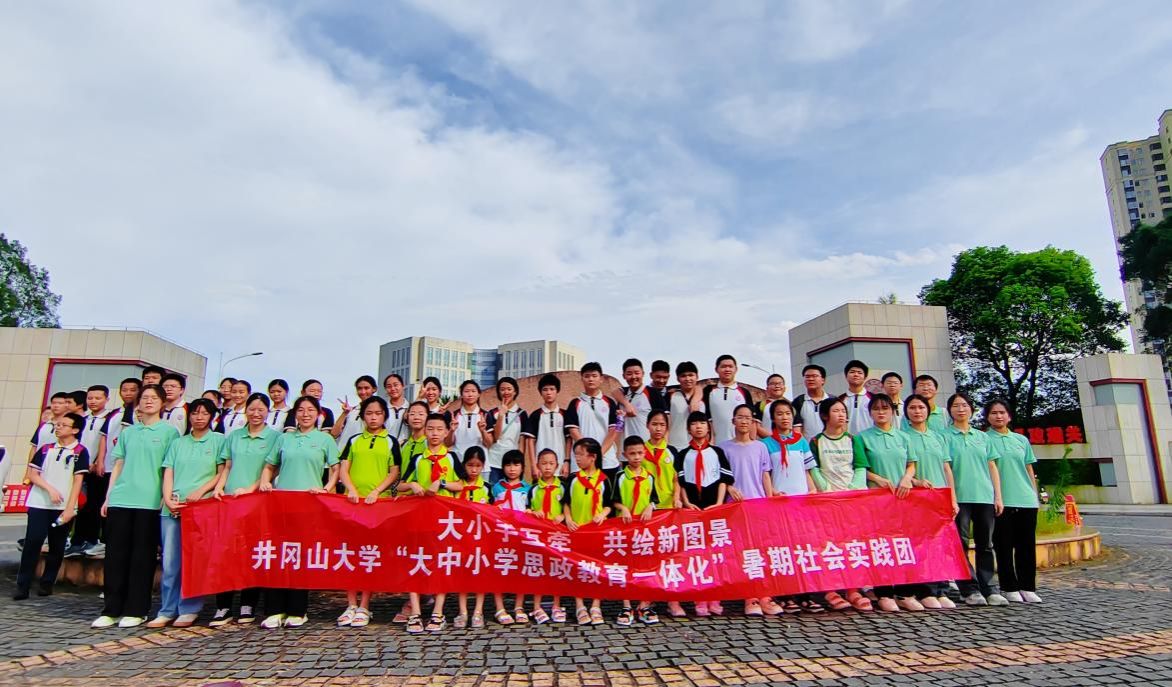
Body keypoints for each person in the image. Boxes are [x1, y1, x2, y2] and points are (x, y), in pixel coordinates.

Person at [92, 384, 180, 628]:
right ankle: (111, 609)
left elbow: (169, 469)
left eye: (154, 398)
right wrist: (109, 496)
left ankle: (137, 609)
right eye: (144, 398)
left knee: (142, 557)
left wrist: (164, 496)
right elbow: (118, 465)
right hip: (121, 498)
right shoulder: (129, 432)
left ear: (162, 403)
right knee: (115, 556)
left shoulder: (170, 433)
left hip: (149, 502)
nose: (148, 401)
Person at [257, 395, 340, 629]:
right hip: (281, 504)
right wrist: (265, 481)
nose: (305, 414)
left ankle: (297, 610)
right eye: (301, 410)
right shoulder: (284, 438)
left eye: (310, 410)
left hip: (309, 505)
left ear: (318, 414)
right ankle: (274, 610)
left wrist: (325, 489)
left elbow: (335, 469)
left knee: (300, 556)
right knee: (277, 555)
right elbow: (270, 466)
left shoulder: (324, 440)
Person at [150, 398, 225, 628]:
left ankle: (189, 608)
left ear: (212, 417)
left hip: (200, 508)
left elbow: (222, 472)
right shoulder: (178, 442)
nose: (199, 417)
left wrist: (201, 491)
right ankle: (167, 609)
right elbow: (168, 472)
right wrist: (168, 498)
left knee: (194, 561)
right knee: (170, 562)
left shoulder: (219, 440)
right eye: (195, 413)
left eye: (204, 413)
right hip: (173, 508)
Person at [209, 392, 281, 626]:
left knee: (253, 552)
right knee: (226, 553)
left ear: (268, 412)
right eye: (252, 409)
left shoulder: (275, 437)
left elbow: (272, 468)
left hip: (257, 501)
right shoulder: (234, 436)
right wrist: (219, 487)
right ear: (245, 410)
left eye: (261, 410)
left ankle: (248, 604)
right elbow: (227, 466)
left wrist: (251, 489)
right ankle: (223, 606)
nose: (256, 413)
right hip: (231, 500)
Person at [338, 396, 402, 628]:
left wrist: (377, 491)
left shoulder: (391, 442)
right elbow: (344, 468)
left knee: (368, 554)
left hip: (378, 506)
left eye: (378, 413)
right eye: (369, 413)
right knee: (350, 553)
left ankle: (365, 604)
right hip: (353, 504)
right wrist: (351, 488)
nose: (373, 418)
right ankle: (350, 604)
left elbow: (394, 472)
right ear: (363, 416)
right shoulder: (354, 440)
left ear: (385, 416)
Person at [856, 394, 921, 612]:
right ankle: (883, 592)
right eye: (876, 409)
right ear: (870, 413)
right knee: (881, 546)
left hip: (902, 498)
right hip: (876, 499)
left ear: (893, 411)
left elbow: (911, 464)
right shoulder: (863, 438)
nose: (881, 412)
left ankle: (905, 592)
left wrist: (907, 478)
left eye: (885, 408)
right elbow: (860, 468)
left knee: (904, 544)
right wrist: (878, 479)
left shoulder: (903, 437)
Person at [397, 413, 460, 633]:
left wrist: (441, 483)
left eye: (439, 429)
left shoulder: (451, 458)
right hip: (419, 516)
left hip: (444, 519)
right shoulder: (418, 459)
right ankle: (415, 612)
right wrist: (412, 485)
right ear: (425, 431)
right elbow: (400, 485)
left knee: (441, 562)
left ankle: (438, 612)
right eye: (430, 429)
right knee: (416, 560)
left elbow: (460, 484)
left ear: (446, 432)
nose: (434, 433)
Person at [944, 393, 1008, 607]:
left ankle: (989, 587)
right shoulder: (943, 436)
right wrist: (951, 497)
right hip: (959, 498)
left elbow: (992, 466)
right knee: (960, 544)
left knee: (986, 544)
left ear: (971, 410)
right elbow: (946, 467)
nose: (960, 409)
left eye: (964, 405)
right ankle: (968, 588)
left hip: (984, 496)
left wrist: (998, 496)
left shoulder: (983, 437)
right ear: (949, 410)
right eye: (955, 406)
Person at [808, 397, 871, 612]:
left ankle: (853, 589)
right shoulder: (816, 441)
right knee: (829, 545)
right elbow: (814, 468)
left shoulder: (853, 440)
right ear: (825, 416)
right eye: (836, 411)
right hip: (827, 500)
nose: (841, 415)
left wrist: (852, 489)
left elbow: (860, 466)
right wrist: (826, 489)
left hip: (851, 500)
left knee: (851, 544)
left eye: (843, 411)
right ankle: (831, 589)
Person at [16, 413, 88, 600]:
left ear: (75, 430)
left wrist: (70, 508)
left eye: (64, 425)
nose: (58, 427)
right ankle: (22, 585)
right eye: (58, 424)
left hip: (63, 507)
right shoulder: (46, 449)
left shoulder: (80, 451)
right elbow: (33, 474)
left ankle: (47, 583)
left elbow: (78, 481)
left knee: (57, 545)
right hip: (39, 503)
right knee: (33, 541)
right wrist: (50, 489)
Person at [760, 398, 823, 614]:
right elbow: (766, 474)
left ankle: (805, 594)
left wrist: (812, 490)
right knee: (781, 549)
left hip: (801, 502)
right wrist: (772, 493)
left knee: (803, 548)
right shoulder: (766, 444)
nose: (784, 417)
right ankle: (785, 594)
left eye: (787, 413)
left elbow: (807, 471)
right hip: (779, 502)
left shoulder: (801, 441)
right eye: (779, 414)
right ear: (773, 418)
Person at [721, 404, 783, 617]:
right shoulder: (723, 448)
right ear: (733, 421)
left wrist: (769, 498)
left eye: (748, 418)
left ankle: (765, 595)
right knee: (742, 552)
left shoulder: (760, 447)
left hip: (758, 505)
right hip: (734, 506)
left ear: (753, 422)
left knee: (761, 551)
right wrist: (729, 488)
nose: (744, 421)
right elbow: (721, 477)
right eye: (740, 417)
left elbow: (765, 474)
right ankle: (750, 596)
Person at [673, 411, 733, 617]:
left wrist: (719, 503)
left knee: (714, 553)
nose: (698, 427)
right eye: (694, 424)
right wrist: (687, 503)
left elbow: (724, 479)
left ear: (708, 427)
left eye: (702, 423)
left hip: (714, 507)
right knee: (696, 554)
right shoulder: (682, 454)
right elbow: (680, 482)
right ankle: (699, 598)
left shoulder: (717, 452)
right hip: (693, 509)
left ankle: (714, 597)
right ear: (688, 429)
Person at [902, 394, 958, 610]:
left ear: (928, 411)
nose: (917, 411)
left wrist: (952, 497)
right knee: (921, 545)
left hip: (939, 497)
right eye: (912, 408)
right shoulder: (903, 437)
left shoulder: (938, 437)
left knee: (941, 544)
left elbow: (946, 468)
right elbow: (904, 468)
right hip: (916, 498)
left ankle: (941, 589)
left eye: (921, 407)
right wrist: (915, 482)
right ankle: (925, 590)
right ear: (906, 412)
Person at [984, 399, 1042, 604]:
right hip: (1001, 500)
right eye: (993, 413)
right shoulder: (984, 439)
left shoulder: (1021, 440)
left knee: (1026, 546)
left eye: (1002, 412)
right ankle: (1009, 587)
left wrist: (1034, 496)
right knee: (1004, 545)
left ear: (1009, 416)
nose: (998, 416)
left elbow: (1028, 468)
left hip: (1025, 499)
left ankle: (1028, 586)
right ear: (987, 417)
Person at [83, 378, 142, 559]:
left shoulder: (140, 413)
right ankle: (94, 541)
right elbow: (104, 437)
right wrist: (100, 460)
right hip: (107, 467)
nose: (128, 393)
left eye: (133, 390)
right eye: (125, 389)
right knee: (97, 504)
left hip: (127, 469)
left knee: (117, 509)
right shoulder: (115, 413)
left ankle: (112, 542)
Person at [438, 447, 490, 629]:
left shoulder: (486, 488)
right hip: (460, 536)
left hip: (480, 537)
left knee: (480, 574)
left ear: (483, 466)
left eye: (478, 466)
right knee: (462, 573)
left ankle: (478, 611)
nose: (474, 470)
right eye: (470, 465)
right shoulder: (457, 486)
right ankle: (463, 611)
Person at [564, 437, 613, 625]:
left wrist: (603, 514)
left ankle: (595, 605)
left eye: (580, 454)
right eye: (575, 454)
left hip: (597, 532)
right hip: (577, 531)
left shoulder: (604, 480)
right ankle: (579, 605)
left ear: (592, 457)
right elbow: (566, 502)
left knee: (596, 569)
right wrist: (568, 519)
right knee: (578, 569)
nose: (577, 458)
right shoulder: (573, 479)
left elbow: (609, 504)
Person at [613, 436, 659, 626]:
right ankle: (626, 605)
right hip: (624, 528)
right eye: (632, 453)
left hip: (644, 530)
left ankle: (643, 605)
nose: (637, 457)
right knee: (625, 567)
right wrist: (623, 508)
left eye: (640, 453)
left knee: (644, 567)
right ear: (625, 455)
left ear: (645, 453)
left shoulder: (649, 477)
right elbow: (613, 500)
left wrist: (650, 506)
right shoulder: (620, 477)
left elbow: (654, 499)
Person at [65, 385, 113, 558]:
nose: (93, 401)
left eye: (98, 398)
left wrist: (97, 461)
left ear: (107, 399)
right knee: (81, 506)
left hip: (98, 469)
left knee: (96, 506)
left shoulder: (109, 418)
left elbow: (105, 442)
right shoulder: (83, 419)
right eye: (90, 398)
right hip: (81, 468)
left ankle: (94, 540)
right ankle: (77, 541)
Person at [489, 449, 531, 624]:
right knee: (499, 568)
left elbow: (531, 509)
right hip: (501, 534)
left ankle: (518, 606)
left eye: (516, 465)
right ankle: (499, 607)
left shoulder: (528, 489)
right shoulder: (496, 487)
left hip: (520, 534)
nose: (512, 469)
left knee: (521, 569)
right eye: (508, 465)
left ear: (522, 467)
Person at [526, 449, 566, 624]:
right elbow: (526, 510)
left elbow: (568, 507)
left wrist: (563, 516)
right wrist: (533, 512)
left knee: (557, 569)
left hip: (557, 534)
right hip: (539, 534)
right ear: (537, 466)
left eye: (551, 463)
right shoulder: (534, 489)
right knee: (539, 569)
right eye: (544, 463)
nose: (547, 467)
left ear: (557, 465)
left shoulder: (563, 487)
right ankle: (537, 606)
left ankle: (556, 605)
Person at [565, 362, 622, 479]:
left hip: (607, 462)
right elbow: (573, 431)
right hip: (581, 463)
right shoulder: (575, 403)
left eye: (594, 376)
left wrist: (598, 454)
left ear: (601, 379)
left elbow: (613, 431)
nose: (590, 379)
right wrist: (588, 454)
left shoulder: (609, 402)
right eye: (587, 376)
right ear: (582, 379)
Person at [702, 354, 758, 445]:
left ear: (736, 369)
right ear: (716, 369)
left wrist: (751, 443)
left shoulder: (744, 392)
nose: (727, 369)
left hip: (739, 445)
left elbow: (752, 421)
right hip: (715, 445)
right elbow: (706, 419)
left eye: (730, 367)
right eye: (723, 367)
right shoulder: (708, 391)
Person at [523, 374, 568, 477]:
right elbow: (530, 441)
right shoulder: (535, 415)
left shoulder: (565, 414)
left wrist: (567, 462)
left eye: (552, 389)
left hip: (561, 467)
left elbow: (569, 440)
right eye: (545, 390)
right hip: (541, 469)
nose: (548, 393)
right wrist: (533, 465)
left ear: (557, 391)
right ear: (540, 392)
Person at [614, 358, 668, 442]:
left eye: (637, 373)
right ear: (623, 376)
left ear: (643, 374)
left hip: (647, 446)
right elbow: (615, 391)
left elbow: (666, 420)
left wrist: (664, 444)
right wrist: (627, 404)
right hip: (625, 446)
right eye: (629, 374)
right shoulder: (623, 394)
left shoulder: (653, 393)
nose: (633, 377)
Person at [487, 378, 528, 483]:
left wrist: (521, 461)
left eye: (509, 389)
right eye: (502, 389)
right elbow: (496, 437)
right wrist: (501, 415)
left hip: (513, 463)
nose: (506, 392)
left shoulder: (522, 414)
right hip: (494, 461)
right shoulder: (492, 413)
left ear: (515, 391)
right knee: (494, 491)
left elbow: (522, 441)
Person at [451, 380, 493, 476]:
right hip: (458, 463)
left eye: (473, 391)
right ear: (461, 394)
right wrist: (451, 431)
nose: (470, 394)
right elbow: (447, 443)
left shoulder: (486, 415)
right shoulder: (453, 415)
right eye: (466, 391)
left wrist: (483, 431)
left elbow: (489, 443)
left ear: (479, 394)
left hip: (480, 466)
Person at [642, 410, 677, 511]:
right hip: (646, 507)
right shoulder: (640, 451)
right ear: (647, 425)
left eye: (662, 425)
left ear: (667, 427)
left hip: (669, 504)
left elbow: (676, 479)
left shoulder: (672, 451)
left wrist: (677, 497)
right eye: (654, 424)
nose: (658, 429)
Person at [332, 375, 378, 449]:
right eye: (359, 388)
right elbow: (334, 434)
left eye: (366, 388)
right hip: (343, 452)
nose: (363, 392)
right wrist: (345, 413)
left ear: (374, 389)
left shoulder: (379, 412)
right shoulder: (352, 411)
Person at [667, 361, 706, 449]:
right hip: (675, 446)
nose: (688, 379)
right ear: (678, 379)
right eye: (683, 376)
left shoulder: (705, 398)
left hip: (698, 447)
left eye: (691, 375)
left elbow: (709, 423)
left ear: (697, 377)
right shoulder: (670, 396)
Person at [792, 365, 831, 438]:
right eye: (807, 377)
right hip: (806, 444)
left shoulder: (833, 400)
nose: (810, 379)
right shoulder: (798, 402)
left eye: (814, 376)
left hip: (829, 444)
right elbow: (796, 428)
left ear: (823, 380)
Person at [396, 401, 429, 481]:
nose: (416, 417)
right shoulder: (403, 445)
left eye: (421, 414)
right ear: (407, 417)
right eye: (412, 414)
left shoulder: (430, 444)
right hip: (403, 488)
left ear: (428, 417)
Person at [842, 360, 873, 435]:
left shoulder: (873, 398)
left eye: (859, 372)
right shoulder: (840, 400)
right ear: (846, 376)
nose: (856, 374)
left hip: (870, 438)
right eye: (852, 372)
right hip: (847, 439)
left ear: (865, 377)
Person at [382, 374, 410, 440]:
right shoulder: (382, 409)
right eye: (389, 386)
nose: (393, 389)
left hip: (406, 445)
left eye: (395, 385)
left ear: (403, 385)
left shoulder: (410, 408)